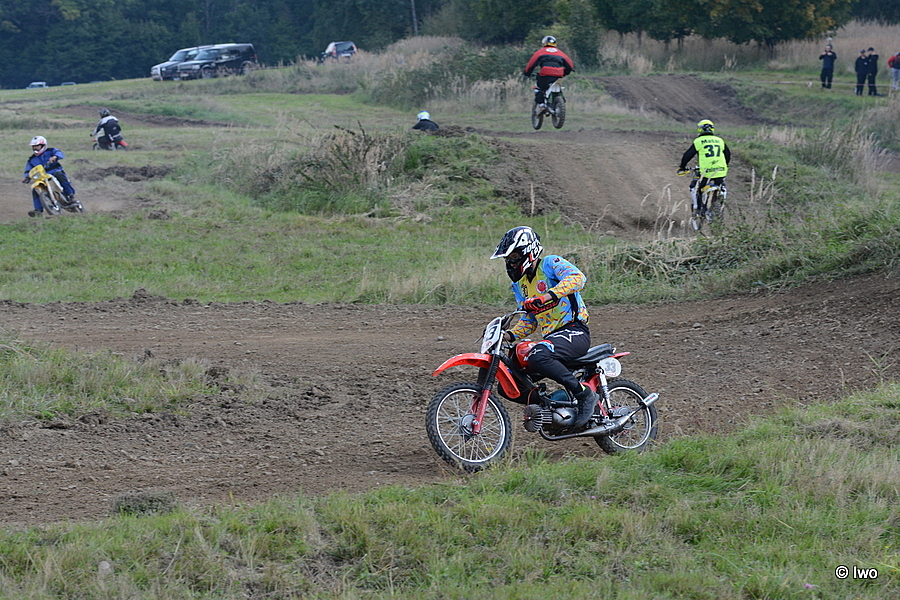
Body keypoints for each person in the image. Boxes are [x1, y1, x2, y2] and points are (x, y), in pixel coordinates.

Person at [490, 226, 599, 430]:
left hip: (574, 330)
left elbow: (578, 278)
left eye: (514, 257)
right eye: (507, 259)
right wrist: (507, 335)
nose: (510, 263)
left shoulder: (550, 263)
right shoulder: (520, 285)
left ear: (529, 253)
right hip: (551, 339)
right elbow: (529, 320)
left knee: (538, 355)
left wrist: (549, 295)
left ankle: (585, 395)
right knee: (509, 381)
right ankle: (553, 407)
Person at [677, 119, 731, 217]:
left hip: (706, 172)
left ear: (700, 129)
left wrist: (682, 167)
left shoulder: (698, 141)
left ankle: (697, 208)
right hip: (721, 171)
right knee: (721, 186)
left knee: (695, 187)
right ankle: (721, 202)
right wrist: (725, 165)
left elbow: (687, 155)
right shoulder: (720, 140)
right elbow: (728, 154)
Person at [21, 135, 76, 217]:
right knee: (35, 189)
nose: (35, 148)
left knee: (59, 175)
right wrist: (26, 177)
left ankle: (70, 195)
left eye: (37, 146)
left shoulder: (51, 151)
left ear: (43, 145)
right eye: (34, 146)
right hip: (42, 176)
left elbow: (60, 153)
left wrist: (55, 157)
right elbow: (28, 170)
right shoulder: (31, 159)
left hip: (55, 172)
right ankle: (38, 210)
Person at [523, 36, 574, 107]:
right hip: (559, 75)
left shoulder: (540, 52)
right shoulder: (561, 53)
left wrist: (527, 72)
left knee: (539, 87)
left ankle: (541, 104)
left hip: (545, 74)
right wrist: (565, 72)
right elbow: (570, 66)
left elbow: (531, 65)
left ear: (544, 43)